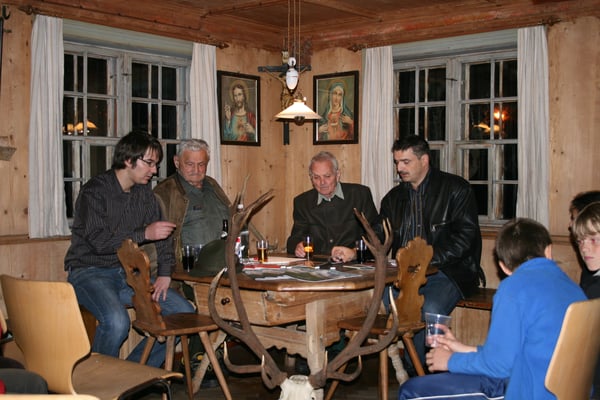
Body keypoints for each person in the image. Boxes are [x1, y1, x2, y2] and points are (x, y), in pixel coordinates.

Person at [398, 218, 587, 400]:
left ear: (504, 267)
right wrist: (461, 349)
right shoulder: (573, 289)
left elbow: (499, 366)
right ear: (549, 251)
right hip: (565, 391)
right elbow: (513, 353)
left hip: (528, 391)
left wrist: (450, 361)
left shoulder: (513, 289)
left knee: (411, 391)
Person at [64, 131, 195, 368]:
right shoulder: (94, 191)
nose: (154, 170)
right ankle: (98, 381)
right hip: (89, 272)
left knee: (183, 313)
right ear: (128, 160)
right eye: (149, 163)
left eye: (156, 164)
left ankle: (133, 372)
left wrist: (165, 273)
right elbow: (99, 243)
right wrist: (144, 233)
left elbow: (163, 236)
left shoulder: (144, 195)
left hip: (129, 275)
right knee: (117, 322)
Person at [379, 135, 482, 366]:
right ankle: (414, 368)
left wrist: (426, 260)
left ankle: (429, 368)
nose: (399, 168)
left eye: (406, 162)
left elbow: (465, 239)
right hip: (406, 274)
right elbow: (379, 234)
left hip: (449, 271)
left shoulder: (457, 189)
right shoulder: (393, 198)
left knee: (429, 307)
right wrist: (354, 249)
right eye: (397, 162)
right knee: (381, 299)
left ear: (424, 160)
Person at [153, 139, 231, 271]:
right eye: (190, 164)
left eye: (201, 164)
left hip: (225, 266)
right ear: (177, 162)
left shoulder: (212, 184)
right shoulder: (164, 193)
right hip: (189, 271)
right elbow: (155, 246)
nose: (196, 170)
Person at [286, 151, 378, 262]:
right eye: (316, 177)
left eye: (327, 176)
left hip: (354, 264)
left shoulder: (359, 195)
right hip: (317, 265)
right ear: (311, 178)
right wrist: (298, 246)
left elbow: (376, 236)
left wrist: (355, 252)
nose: (322, 182)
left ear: (337, 175)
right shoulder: (302, 202)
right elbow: (294, 239)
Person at [572, 201, 600, 399]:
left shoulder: (595, 290)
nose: (585, 248)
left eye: (594, 240)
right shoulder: (591, 280)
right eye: (580, 241)